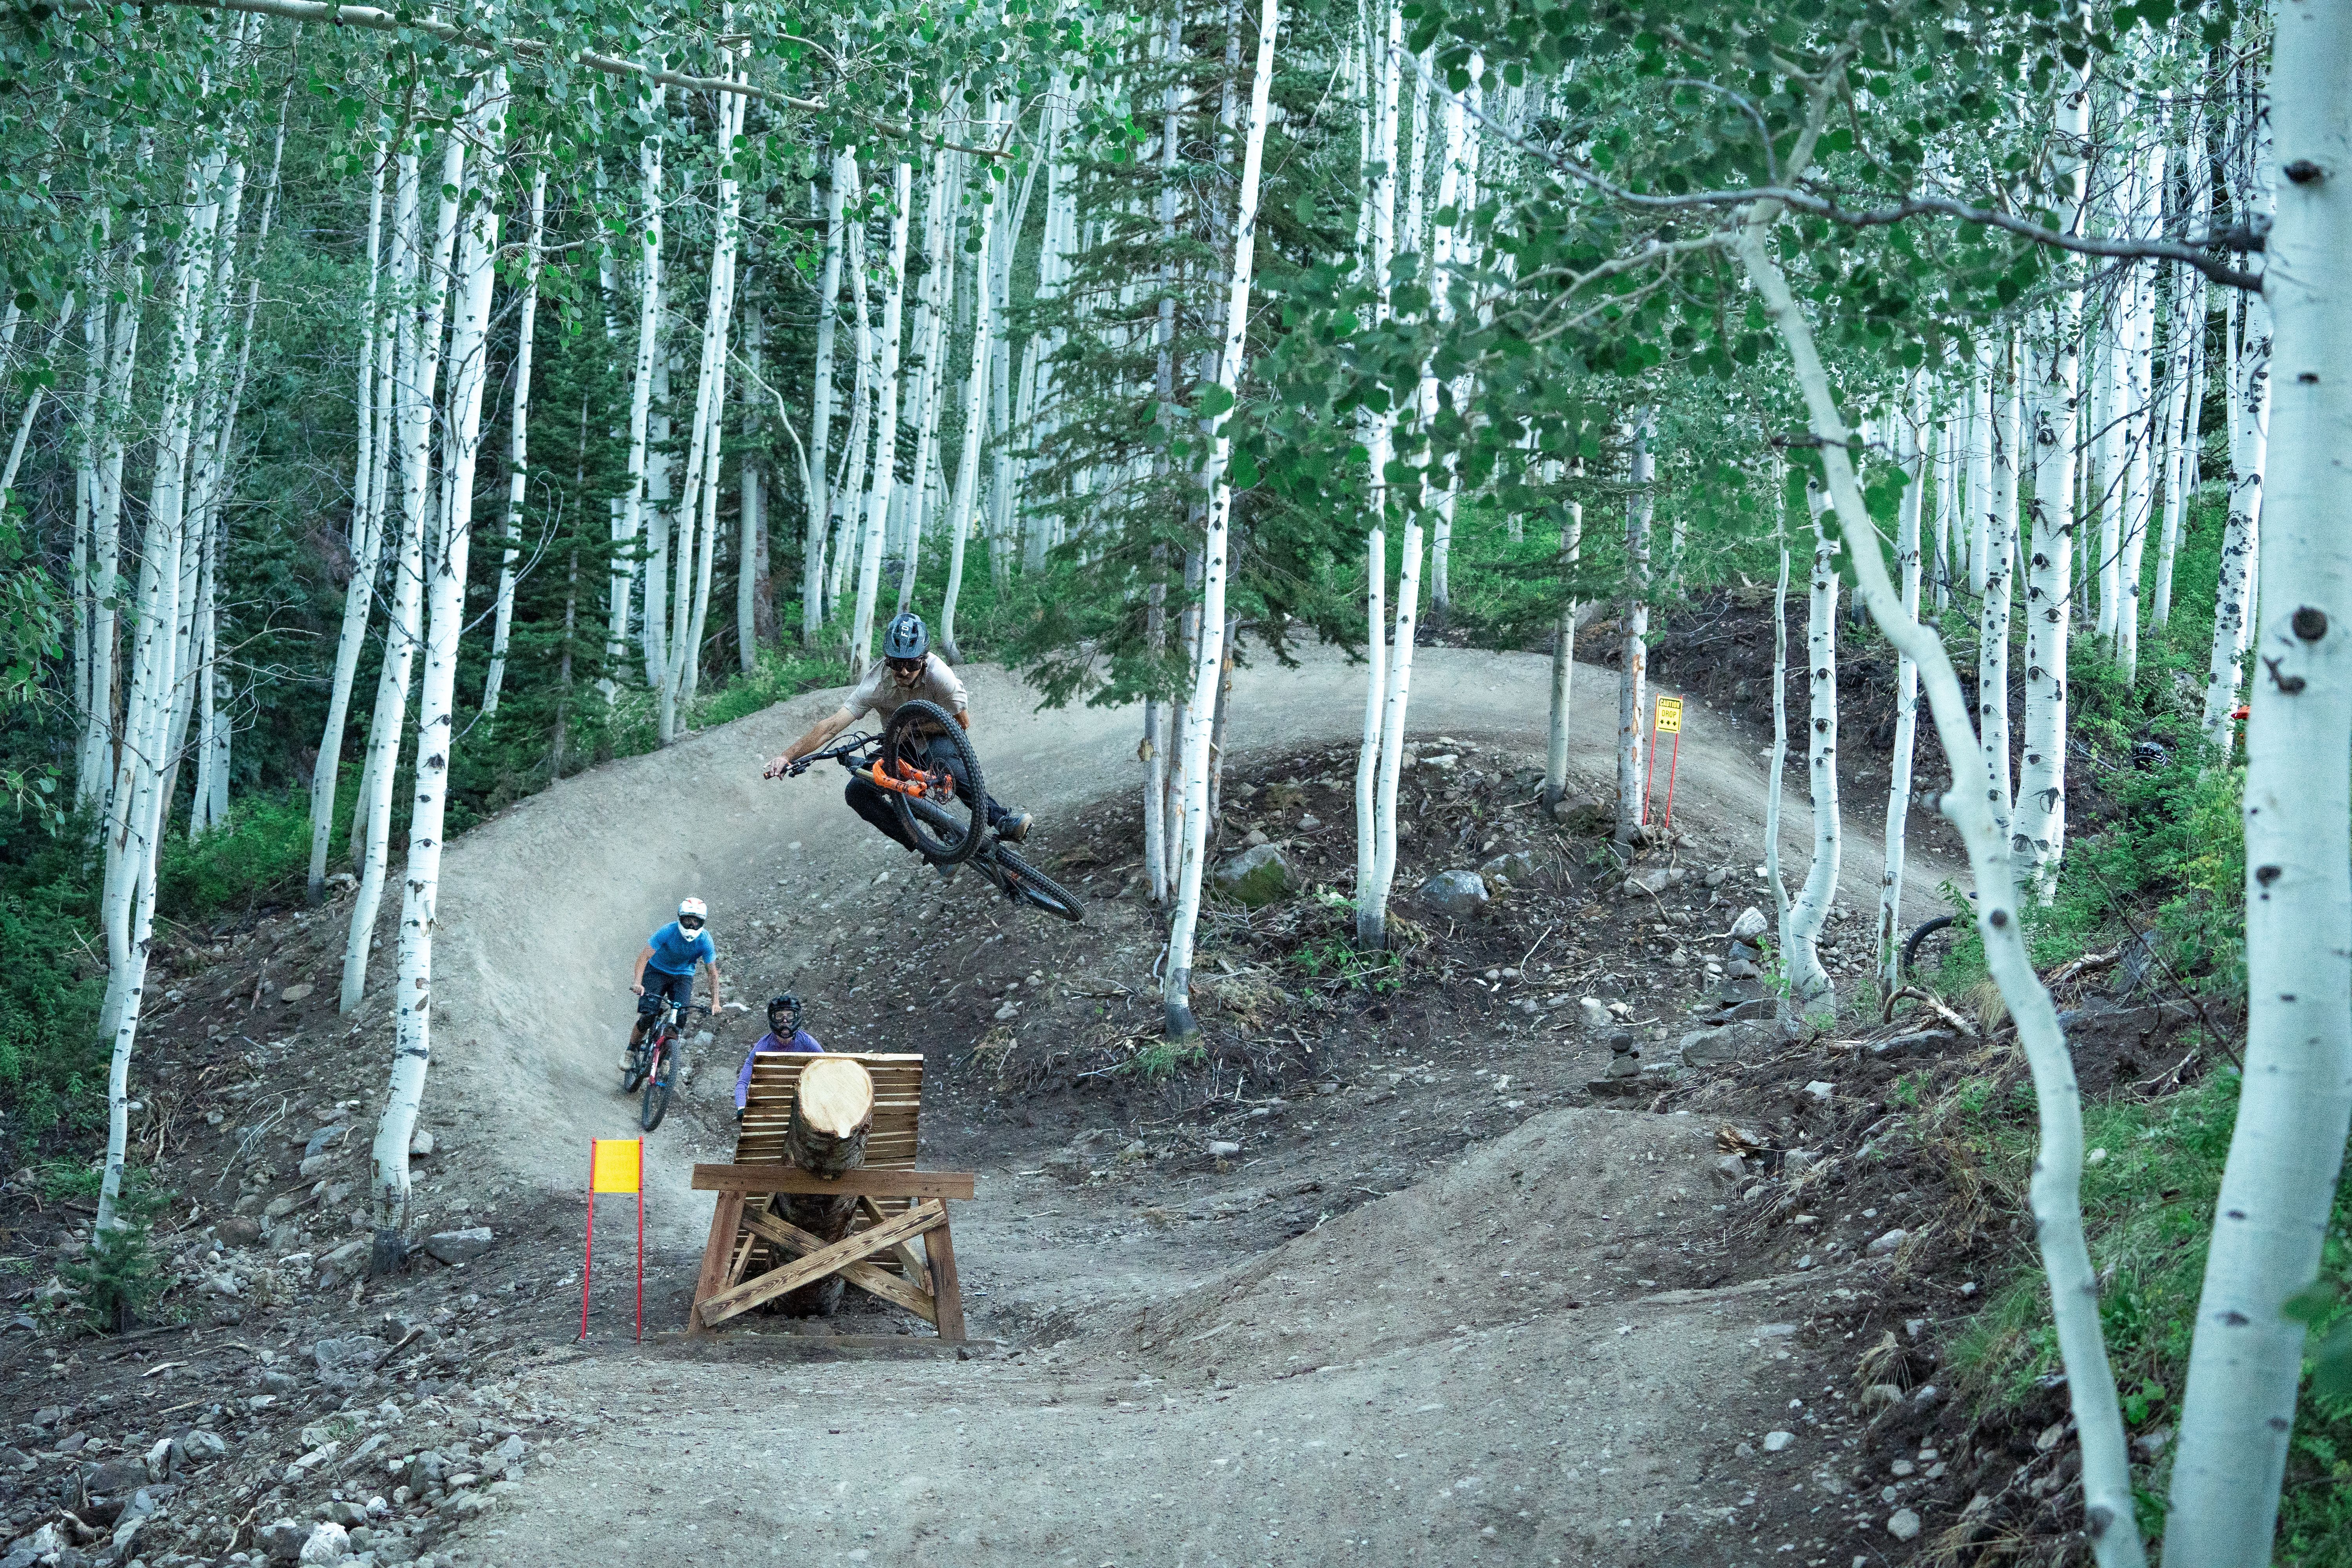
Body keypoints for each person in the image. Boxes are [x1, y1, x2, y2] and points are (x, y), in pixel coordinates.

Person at [763, 612, 1031, 880]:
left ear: (923, 659)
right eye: (895, 663)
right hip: (898, 746)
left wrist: (912, 728)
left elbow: (962, 722)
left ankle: (1003, 820)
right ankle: (932, 851)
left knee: (951, 768)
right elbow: (832, 726)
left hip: (937, 736)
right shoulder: (876, 684)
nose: (903, 671)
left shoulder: (941, 678)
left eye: (912, 663)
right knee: (857, 793)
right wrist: (786, 756)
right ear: (887, 658)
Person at [622, 898, 723, 1073]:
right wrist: (638, 983)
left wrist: (716, 1002)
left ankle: (668, 1057)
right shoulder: (668, 931)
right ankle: (631, 1050)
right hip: (657, 971)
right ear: (680, 918)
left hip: (683, 976)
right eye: (688, 920)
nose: (692, 925)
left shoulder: (706, 941)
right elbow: (644, 957)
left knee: (680, 1017)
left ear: (703, 922)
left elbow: (712, 973)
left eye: (697, 921)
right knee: (649, 1013)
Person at [732, 993, 824, 1121]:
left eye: (790, 1016)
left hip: (804, 1099)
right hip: (772, 1102)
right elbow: (743, 1082)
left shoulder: (807, 1042)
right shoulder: (762, 1047)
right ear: (773, 1019)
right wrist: (742, 1107)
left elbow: (826, 1067)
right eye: (780, 1016)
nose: (785, 1021)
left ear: (796, 1017)